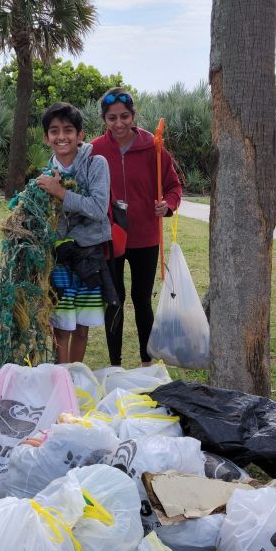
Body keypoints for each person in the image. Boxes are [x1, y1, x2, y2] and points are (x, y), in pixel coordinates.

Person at [90, 88, 182, 368]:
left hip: (145, 237)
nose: (118, 123)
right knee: (113, 301)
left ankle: (146, 363)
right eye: (111, 118)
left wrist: (166, 204)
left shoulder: (153, 147)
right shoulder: (95, 150)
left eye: (124, 116)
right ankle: (115, 365)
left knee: (142, 300)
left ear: (133, 115)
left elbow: (174, 186)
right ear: (104, 119)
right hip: (110, 236)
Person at [36, 102, 112, 364]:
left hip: (89, 256)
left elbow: (99, 209)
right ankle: (61, 379)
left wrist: (61, 193)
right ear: (47, 138)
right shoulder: (45, 175)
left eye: (68, 130)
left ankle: (76, 376)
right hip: (59, 260)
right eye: (54, 131)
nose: (61, 136)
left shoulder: (96, 163)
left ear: (80, 135)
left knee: (81, 326)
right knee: (61, 325)